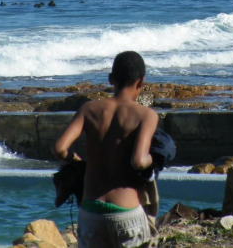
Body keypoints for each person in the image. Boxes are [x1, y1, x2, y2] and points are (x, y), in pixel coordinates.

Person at [54, 51, 159, 248]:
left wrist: (78, 161)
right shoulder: (146, 115)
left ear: (111, 79)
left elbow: (60, 148)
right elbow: (138, 161)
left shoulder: (89, 109)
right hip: (126, 213)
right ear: (141, 82)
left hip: (91, 213)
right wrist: (152, 159)